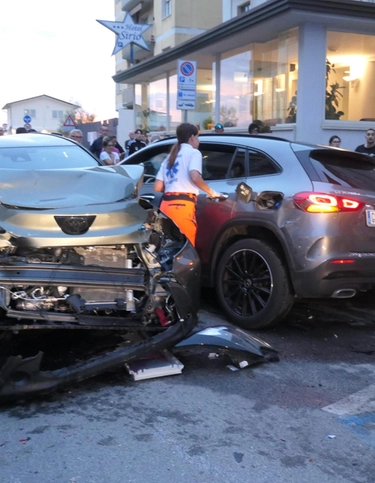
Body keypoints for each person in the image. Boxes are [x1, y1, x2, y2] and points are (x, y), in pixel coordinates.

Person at [154, 123, 221, 246]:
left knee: (168, 248)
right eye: (198, 137)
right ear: (192, 137)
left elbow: (158, 187)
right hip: (182, 206)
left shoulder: (169, 157)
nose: (198, 141)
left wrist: (173, 185)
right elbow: (195, 177)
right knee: (187, 250)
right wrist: (212, 192)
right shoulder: (194, 153)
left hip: (165, 206)